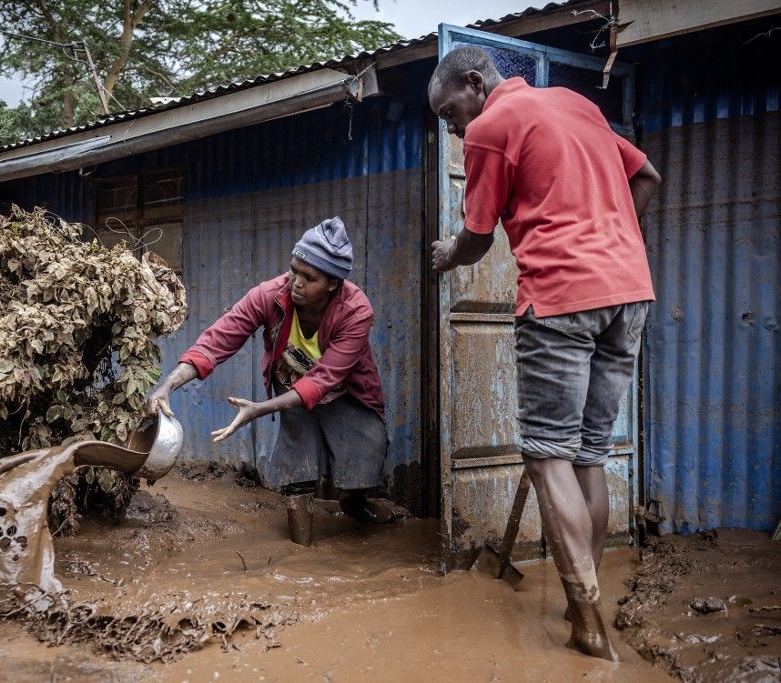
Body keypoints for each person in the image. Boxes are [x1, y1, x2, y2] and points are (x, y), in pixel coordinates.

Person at [427, 47, 661, 661]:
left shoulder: (490, 129)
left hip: (561, 299)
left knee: (547, 455)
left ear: (475, 84)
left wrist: (448, 254)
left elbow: (478, 238)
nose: (453, 128)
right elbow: (647, 177)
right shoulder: (577, 105)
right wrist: (614, 244)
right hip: (630, 294)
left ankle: (588, 626)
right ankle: (580, 601)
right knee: (586, 453)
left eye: (450, 111)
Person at [145, 217, 393, 545]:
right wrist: (169, 384)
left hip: (344, 389)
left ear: (333, 284)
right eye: (294, 270)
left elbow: (323, 380)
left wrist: (259, 409)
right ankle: (301, 551)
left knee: (364, 456)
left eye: (309, 278)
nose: (296, 283)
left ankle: (354, 502)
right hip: (289, 385)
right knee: (297, 464)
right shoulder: (270, 295)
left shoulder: (356, 309)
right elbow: (220, 338)